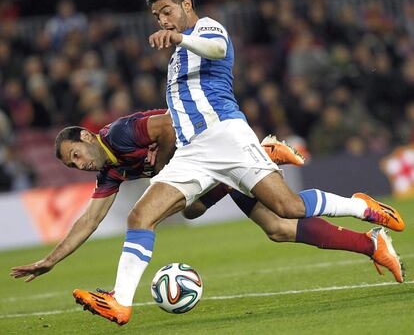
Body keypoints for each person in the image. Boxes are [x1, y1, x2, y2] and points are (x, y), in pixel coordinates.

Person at [13, 0, 405, 325]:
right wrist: (51, 259)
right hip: (194, 152)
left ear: (186, 5)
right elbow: (89, 219)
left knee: (288, 212)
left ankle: (360, 207)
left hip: (224, 136)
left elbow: (216, 49)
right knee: (147, 215)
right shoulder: (171, 67)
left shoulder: (205, 28)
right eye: (156, 16)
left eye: (166, 11)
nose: (162, 20)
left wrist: (181, 37)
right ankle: (120, 301)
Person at [11, 109, 404, 325]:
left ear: (85, 137)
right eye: (70, 166)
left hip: (214, 149)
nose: (77, 166)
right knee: (278, 227)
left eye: (74, 156)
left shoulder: (121, 134)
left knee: (150, 214)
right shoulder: (110, 170)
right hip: (209, 171)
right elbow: (89, 219)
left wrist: (163, 168)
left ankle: (120, 300)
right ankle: (370, 243)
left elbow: (167, 123)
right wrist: (51, 259)